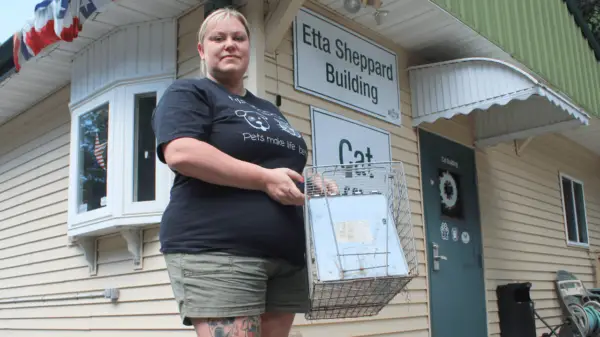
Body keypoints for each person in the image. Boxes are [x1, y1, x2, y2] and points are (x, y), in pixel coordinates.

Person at [151, 7, 337, 337]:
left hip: (285, 257)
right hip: (219, 251)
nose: (229, 44)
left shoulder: (268, 109)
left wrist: (310, 182)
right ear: (201, 49)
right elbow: (181, 151)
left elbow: (278, 165)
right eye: (218, 38)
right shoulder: (190, 93)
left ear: (249, 47)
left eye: (239, 38)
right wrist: (265, 179)